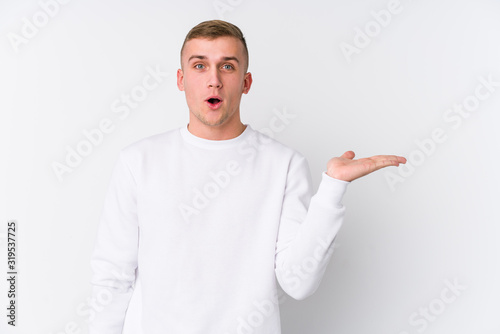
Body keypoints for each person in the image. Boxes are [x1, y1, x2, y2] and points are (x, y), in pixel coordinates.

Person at [88, 19, 406, 334]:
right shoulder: (138, 161)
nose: (214, 80)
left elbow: (298, 281)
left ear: (246, 82)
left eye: (227, 67)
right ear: (181, 79)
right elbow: (112, 276)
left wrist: (333, 188)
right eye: (200, 66)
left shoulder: (284, 164)